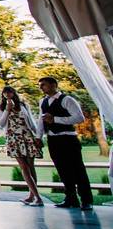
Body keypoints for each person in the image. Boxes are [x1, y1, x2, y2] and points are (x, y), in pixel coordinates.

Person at [38, 76, 92, 210]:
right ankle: (71, 198)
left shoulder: (67, 100)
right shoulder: (42, 102)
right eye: (40, 85)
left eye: (43, 85)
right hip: (53, 139)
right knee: (62, 170)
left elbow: (79, 118)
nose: (41, 88)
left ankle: (86, 200)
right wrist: (38, 137)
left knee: (78, 169)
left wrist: (55, 119)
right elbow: (41, 120)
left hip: (68, 138)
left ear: (53, 85)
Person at [0, 86, 44, 206]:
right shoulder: (1, 106)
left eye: (10, 92)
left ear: (14, 93)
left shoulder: (23, 105)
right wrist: (7, 110)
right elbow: (1, 124)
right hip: (13, 138)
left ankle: (32, 195)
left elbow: (31, 122)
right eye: (5, 92)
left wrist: (38, 137)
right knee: (24, 167)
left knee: (30, 166)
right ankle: (38, 198)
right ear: (3, 94)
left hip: (27, 136)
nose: (8, 94)